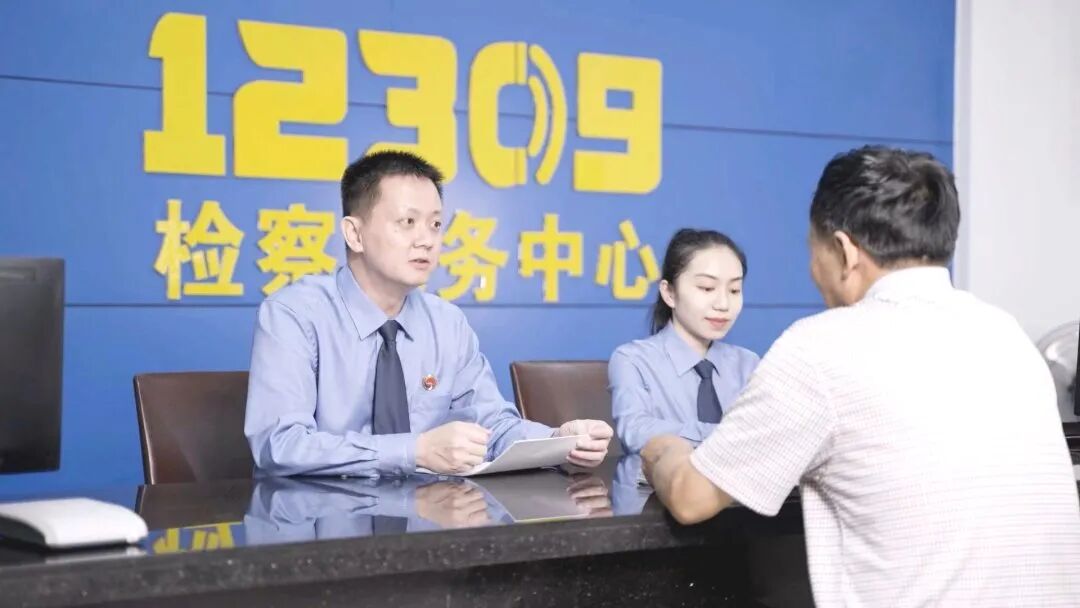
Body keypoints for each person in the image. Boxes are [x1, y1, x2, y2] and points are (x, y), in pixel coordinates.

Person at [643, 146, 1080, 606]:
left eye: (813, 249)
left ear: (844, 251)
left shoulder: (821, 347)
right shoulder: (1004, 333)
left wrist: (662, 448)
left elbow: (691, 498)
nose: (812, 268)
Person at [245, 150, 612, 477]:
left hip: (428, 515)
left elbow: (492, 426)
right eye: (408, 222)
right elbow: (280, 445)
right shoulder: (293, 315)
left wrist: (557, 441)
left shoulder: (447, 323)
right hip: (317, 520)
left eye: (435, 224)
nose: (427, 240)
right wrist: (414, 450)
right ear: (354, 234)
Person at [610, 229, 758, 454]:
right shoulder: (634, 360)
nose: (723, 304)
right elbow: (636, 431)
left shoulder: (748, 364)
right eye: (707, 288)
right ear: (669, 293)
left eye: (734, 290)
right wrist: (730, 436)